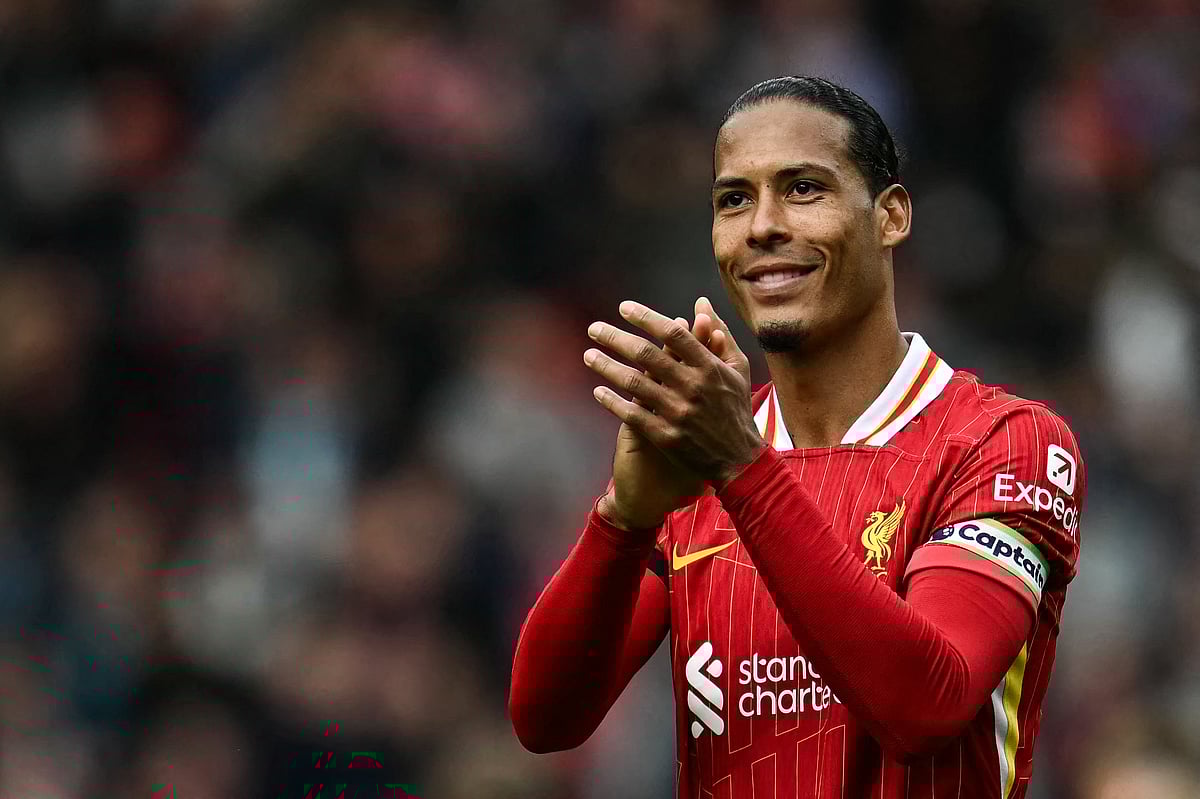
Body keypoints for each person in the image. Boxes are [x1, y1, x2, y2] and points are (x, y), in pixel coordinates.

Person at [508, 76, 1084, 799]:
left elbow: (925, 704)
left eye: (804, 188)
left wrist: (742, 467)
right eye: (734, 199)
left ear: (891, 216)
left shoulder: (1004, 441)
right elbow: (544, 718)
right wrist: (624, 518)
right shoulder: (706, 457)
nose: (762, 227)